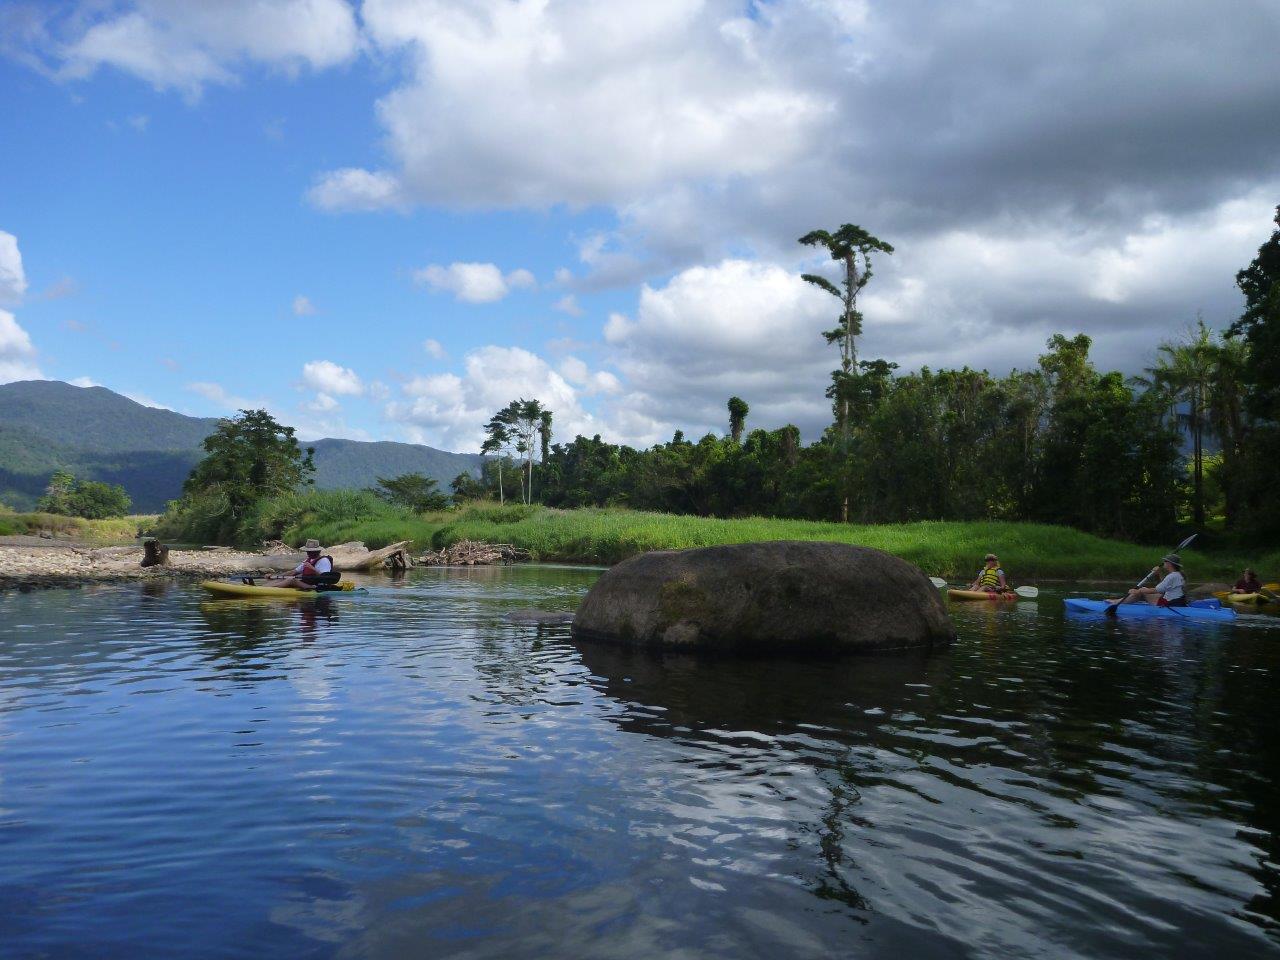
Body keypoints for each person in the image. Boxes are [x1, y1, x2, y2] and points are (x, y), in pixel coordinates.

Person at [246, 539, 339, 591]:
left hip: (316, 586)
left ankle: (262, 590)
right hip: (306, 583)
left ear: (317, 551)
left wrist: (313, 569)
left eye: (311, 551)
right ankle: (259, 588)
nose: (308, 553)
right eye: (308, 551)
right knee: (287, 577)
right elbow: (293, 572)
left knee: (291, 580)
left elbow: (325, 577)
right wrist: (275, 576)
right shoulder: (309, 560)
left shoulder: (324, 561)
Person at [1109, 553, 1187, 607]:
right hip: (1177, 602)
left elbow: (1156, 590)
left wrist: (1138, 591)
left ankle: (1118, 602)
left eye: (1165, 561)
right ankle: (1120, 600)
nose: (1163, 563)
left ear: (1169, 564)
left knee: (1142, 592)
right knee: (1144, 589)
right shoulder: (1178, 575)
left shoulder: (1172, 576)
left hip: (1169, 604)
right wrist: (1159, 574)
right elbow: (1165, 587)